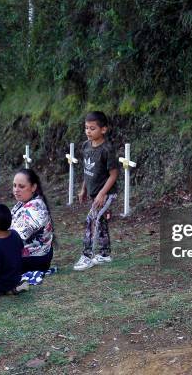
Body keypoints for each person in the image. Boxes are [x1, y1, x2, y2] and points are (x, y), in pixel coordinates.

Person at [73, 111, 119, 271]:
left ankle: (86, 256)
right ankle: (105, 255)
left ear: (103, 130)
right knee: (101, 221)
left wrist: (102, 193)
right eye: (86, 128)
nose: (88, 131)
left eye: (92, 128)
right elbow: (88, 170)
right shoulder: (86, 146)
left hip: (107, 193)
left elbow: (114, 175)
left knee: (91, 221)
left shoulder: (107, 149)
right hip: (94, 193)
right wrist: (83, 189)